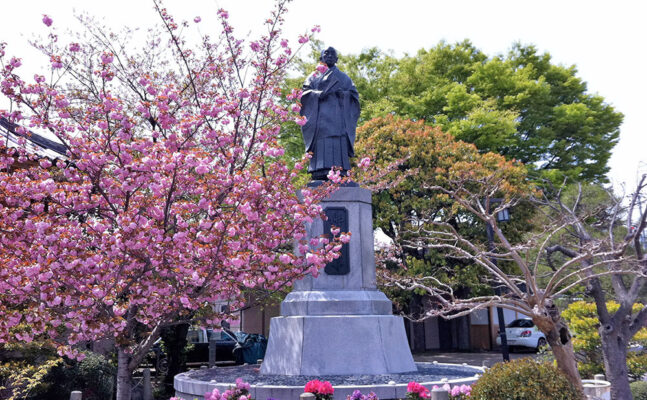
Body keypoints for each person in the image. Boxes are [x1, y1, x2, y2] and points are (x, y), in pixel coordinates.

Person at [300, 47, 360, 181]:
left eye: (333, 54)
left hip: (338, 120)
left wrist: (343, 95)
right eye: (326, 53)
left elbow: (353, 96)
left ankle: (340, 171)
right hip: (320, 121)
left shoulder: (344, 78)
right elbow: (305, 94)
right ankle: (319, 170)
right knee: (321, 145)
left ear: (337, 59)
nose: (329, 55)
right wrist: (318, 94)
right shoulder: (313, 77)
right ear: (321, 58)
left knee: (339, 143)